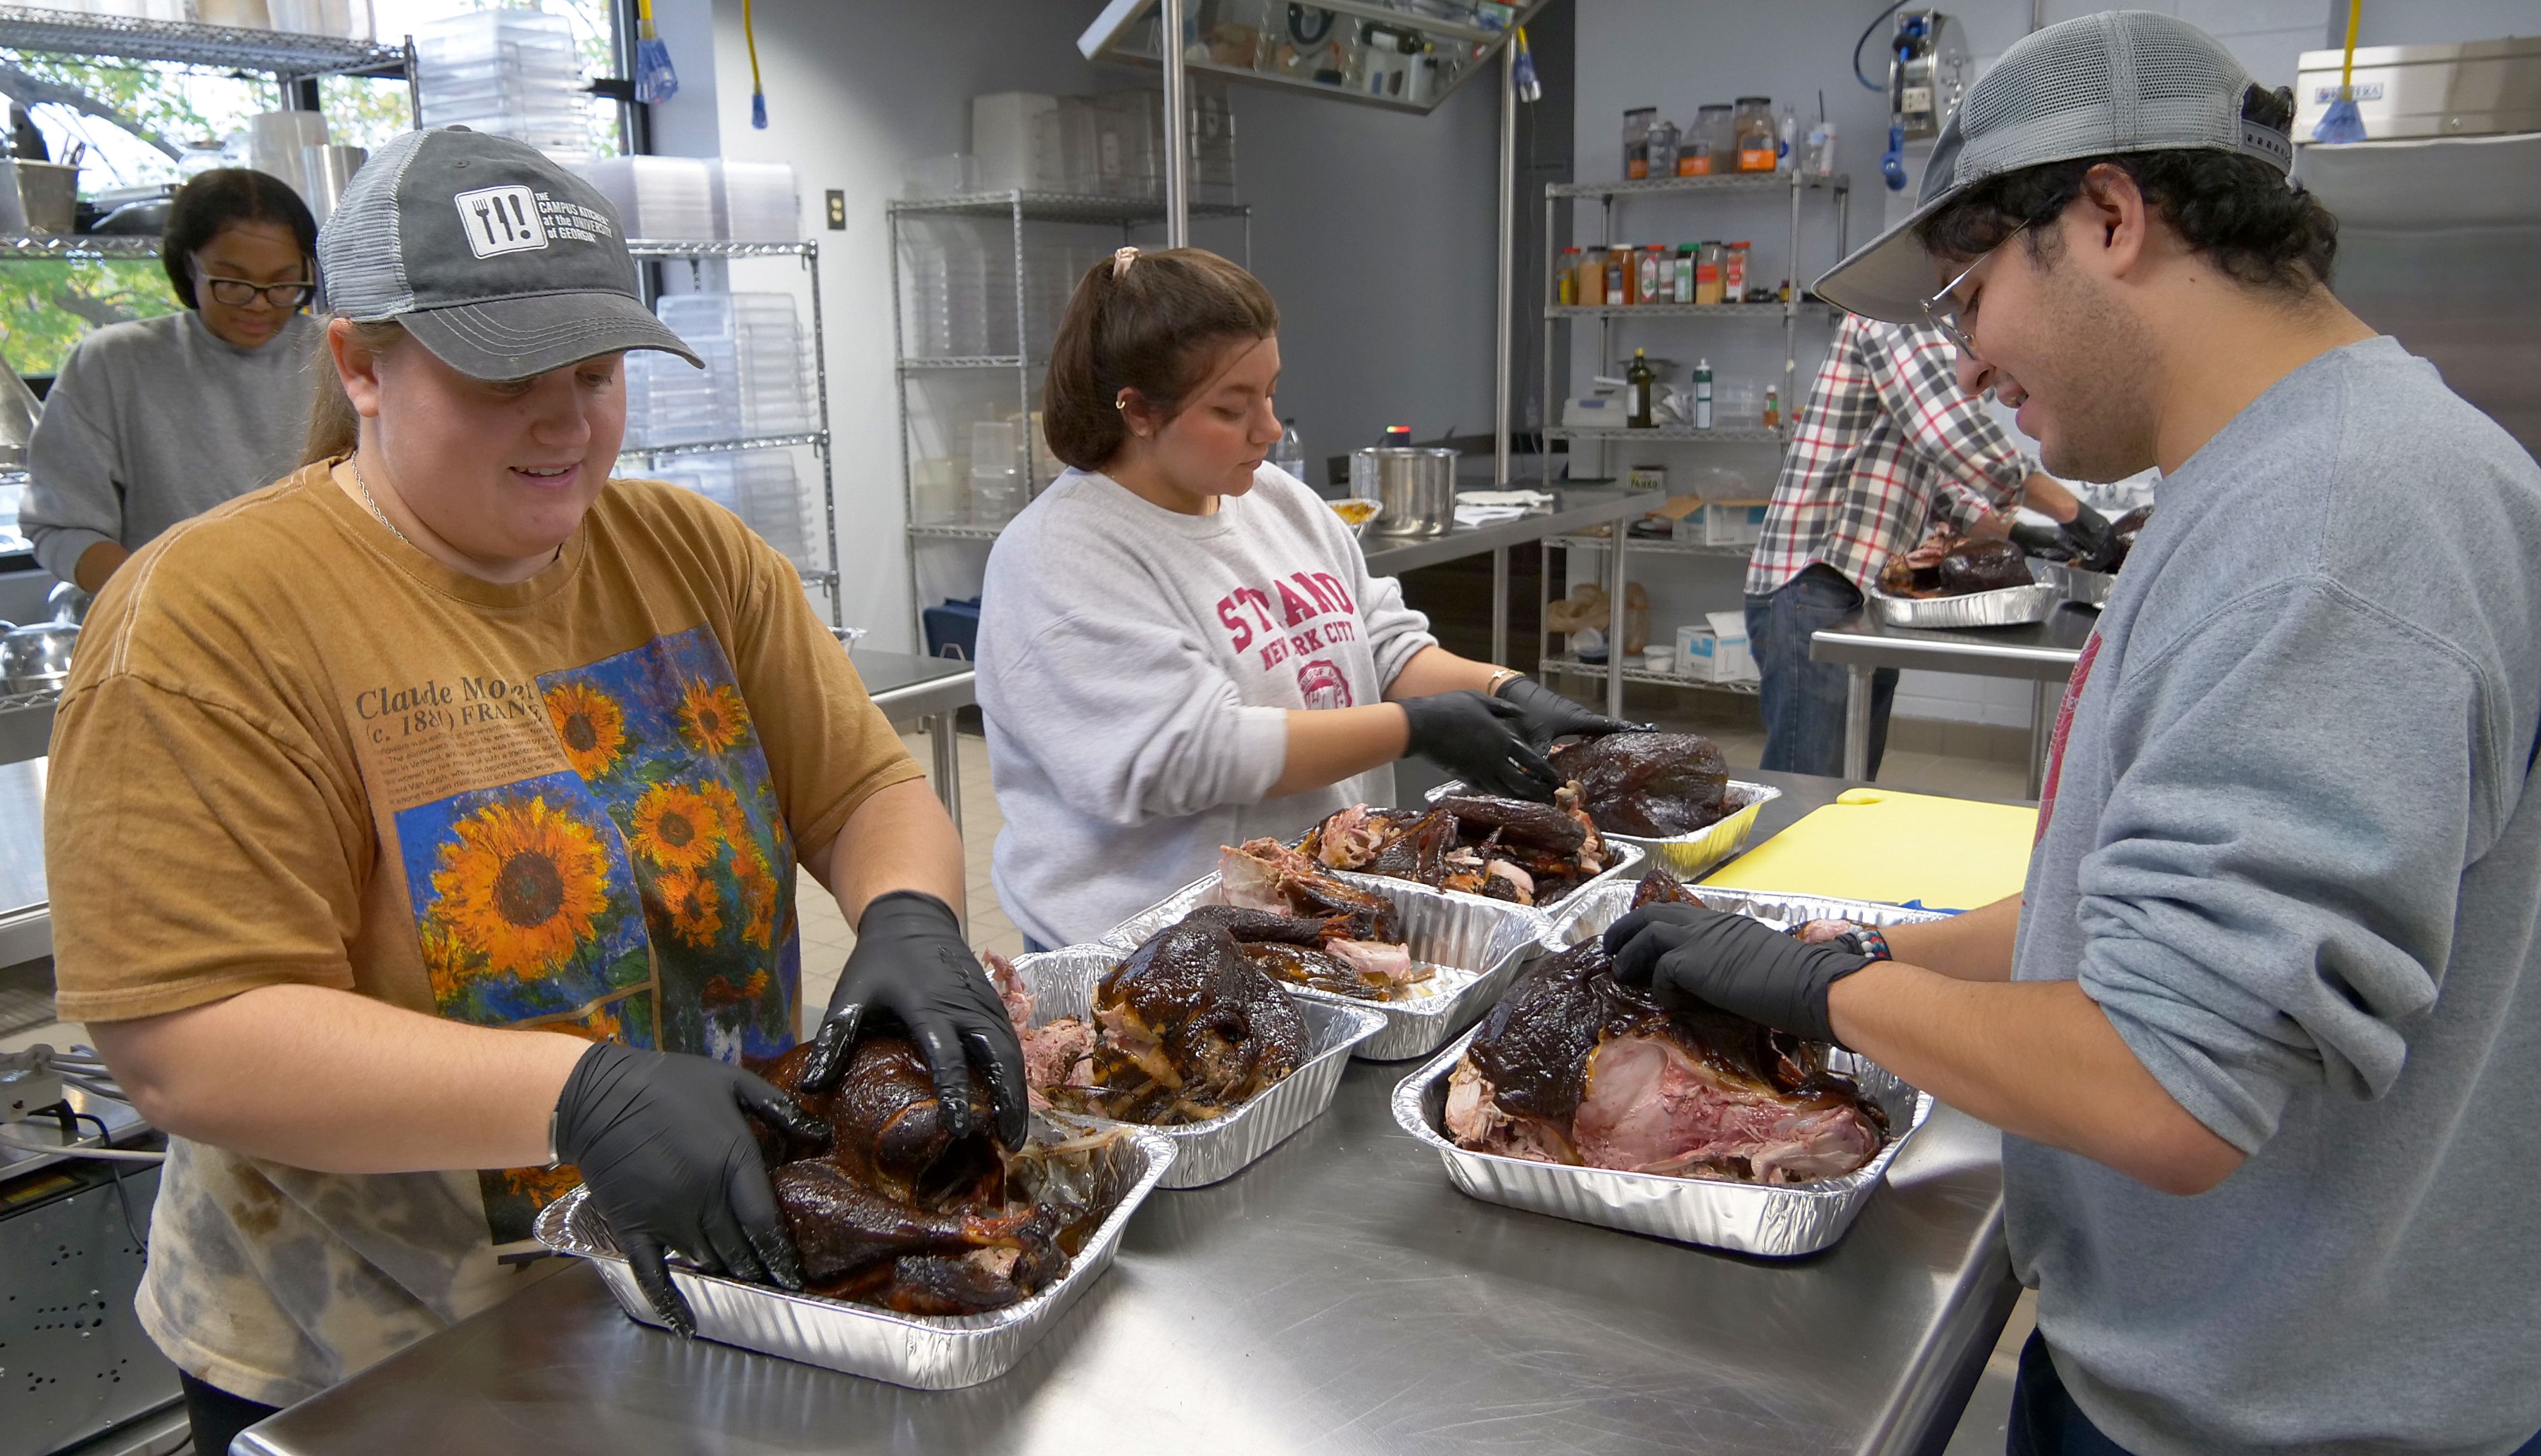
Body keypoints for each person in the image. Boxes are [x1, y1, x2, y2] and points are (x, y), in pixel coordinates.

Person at [1605, 13, 2541, 1455]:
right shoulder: (2275, 478)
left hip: (2276, 1412)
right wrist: (1860, 948)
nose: (1968, 364)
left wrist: (1824, 996)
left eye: (1967, 295)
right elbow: (2117, 913)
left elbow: (2161, 1079)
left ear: (2107, 217)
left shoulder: (2333, 528)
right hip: (2205, 1360)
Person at [43, 130, 1023, 1456]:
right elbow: (188, 1035)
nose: (566, 421)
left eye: (597, 372)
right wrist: (574, 1093)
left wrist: (907, 910)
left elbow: (860, 790)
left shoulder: (689, 552)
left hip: (712, 1290)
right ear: (360, 364)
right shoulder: (207, 619)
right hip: (387, 1360)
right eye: (503, 377)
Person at [978, 246, 1629, 949]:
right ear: (1135, 410)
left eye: (1270, 394)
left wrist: (1506, 691)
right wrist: (1412, 727)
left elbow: (1379, 643)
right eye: (1232, 408)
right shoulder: (1063, 555)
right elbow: (1187, 755)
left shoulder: (1274, 500)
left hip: (1309, 910)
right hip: (1150, 944)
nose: (1268, 429)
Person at [1745, 312, 2112, 776]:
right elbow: (1953, 437)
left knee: (1849, 785)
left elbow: (1947, 491)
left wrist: (2031, 536)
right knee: (1809, 787)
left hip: (1855, 591)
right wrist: (2076, 513)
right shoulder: (1900, 315)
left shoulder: (1928, 351)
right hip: (1813, 583)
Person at [23, 169, 324, 593]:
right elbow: (63, 528)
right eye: (232, 283)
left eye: (282, 284)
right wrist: (166, 604)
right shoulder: (116, 362)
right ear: (188, 266)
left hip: (322, 616)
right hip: (170, 626)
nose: (259, 305)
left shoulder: (338, 354)